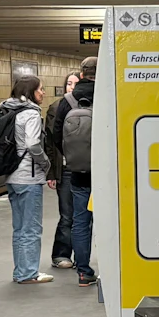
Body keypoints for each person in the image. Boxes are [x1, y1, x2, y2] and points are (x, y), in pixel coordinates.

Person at [0, 71, 52, 285]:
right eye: (40, 89)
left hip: (12, 176)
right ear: (31, 92)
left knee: (20, 228)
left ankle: (20, 271)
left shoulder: (7, 109)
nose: (43, 93)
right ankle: (28, 273)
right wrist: (46, 163)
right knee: (31, 228)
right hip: (28, 178)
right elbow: (32, 144)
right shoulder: (30, 113)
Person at [63, 56, 98, 286]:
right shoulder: (112, 93)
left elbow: (58, 137)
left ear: (81, 73)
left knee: (80, 222)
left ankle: (84, 272)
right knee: (113, 222)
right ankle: (115, 270)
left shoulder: (67, 101)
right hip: (108, 175)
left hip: (78, 174)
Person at [43, 71, 80, 269]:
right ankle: (61, 255)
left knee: (83, 216)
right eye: (69, 83)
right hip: (65, 169)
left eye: (75, 83)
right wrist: (51, 173)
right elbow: (50, 142)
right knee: (67, 215)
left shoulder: (90, 104)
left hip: (85, 168)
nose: (71, 87)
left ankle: (81, 257)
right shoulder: (56, 108)